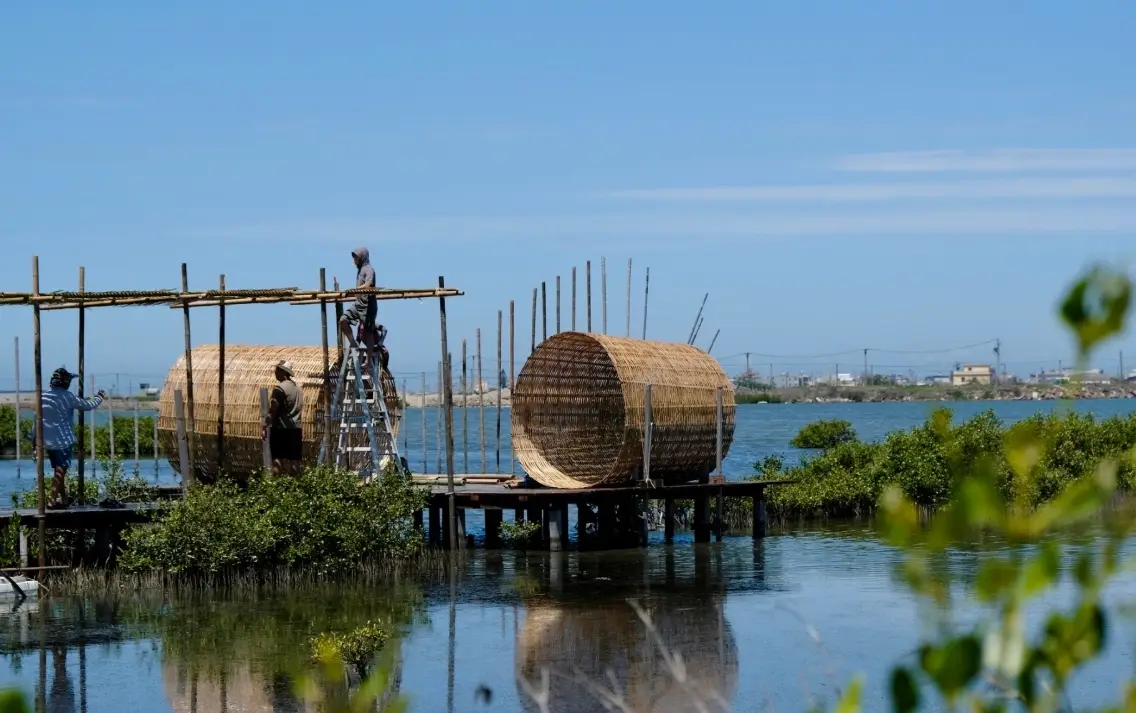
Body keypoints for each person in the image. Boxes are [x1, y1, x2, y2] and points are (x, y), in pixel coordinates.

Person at [40, 366, 106, 508]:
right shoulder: (67, 396)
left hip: (48, 441)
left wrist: (34, 440)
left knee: (58, 470)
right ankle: (52, 500)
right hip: (63, 441)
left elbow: (37, 419)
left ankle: (63, 499)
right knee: (61, 469)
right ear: (66, 383)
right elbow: (88, 405)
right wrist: (99, 398)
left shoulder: (43, 397)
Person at [339, 247, 378, 369]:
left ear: (362, 257)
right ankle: (353, 343)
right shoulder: (360, 270)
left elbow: (368, 285)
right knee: (343, 320)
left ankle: (368, 360)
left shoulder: (369, 269)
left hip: (368, 306)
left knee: (368, 331)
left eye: (356, 257)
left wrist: (356, 289)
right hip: (358, 304)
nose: (354, 260)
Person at [262, 360, 303, 475]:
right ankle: (297, 487)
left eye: (277, 370)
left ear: (283, 372)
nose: (275, 372)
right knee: (294, 460)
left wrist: (265, 425)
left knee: (277, 459)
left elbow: (273, 409)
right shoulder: (298, 389)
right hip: (295, 429)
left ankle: (276, 487)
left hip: (281, 429)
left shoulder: (280, 389)